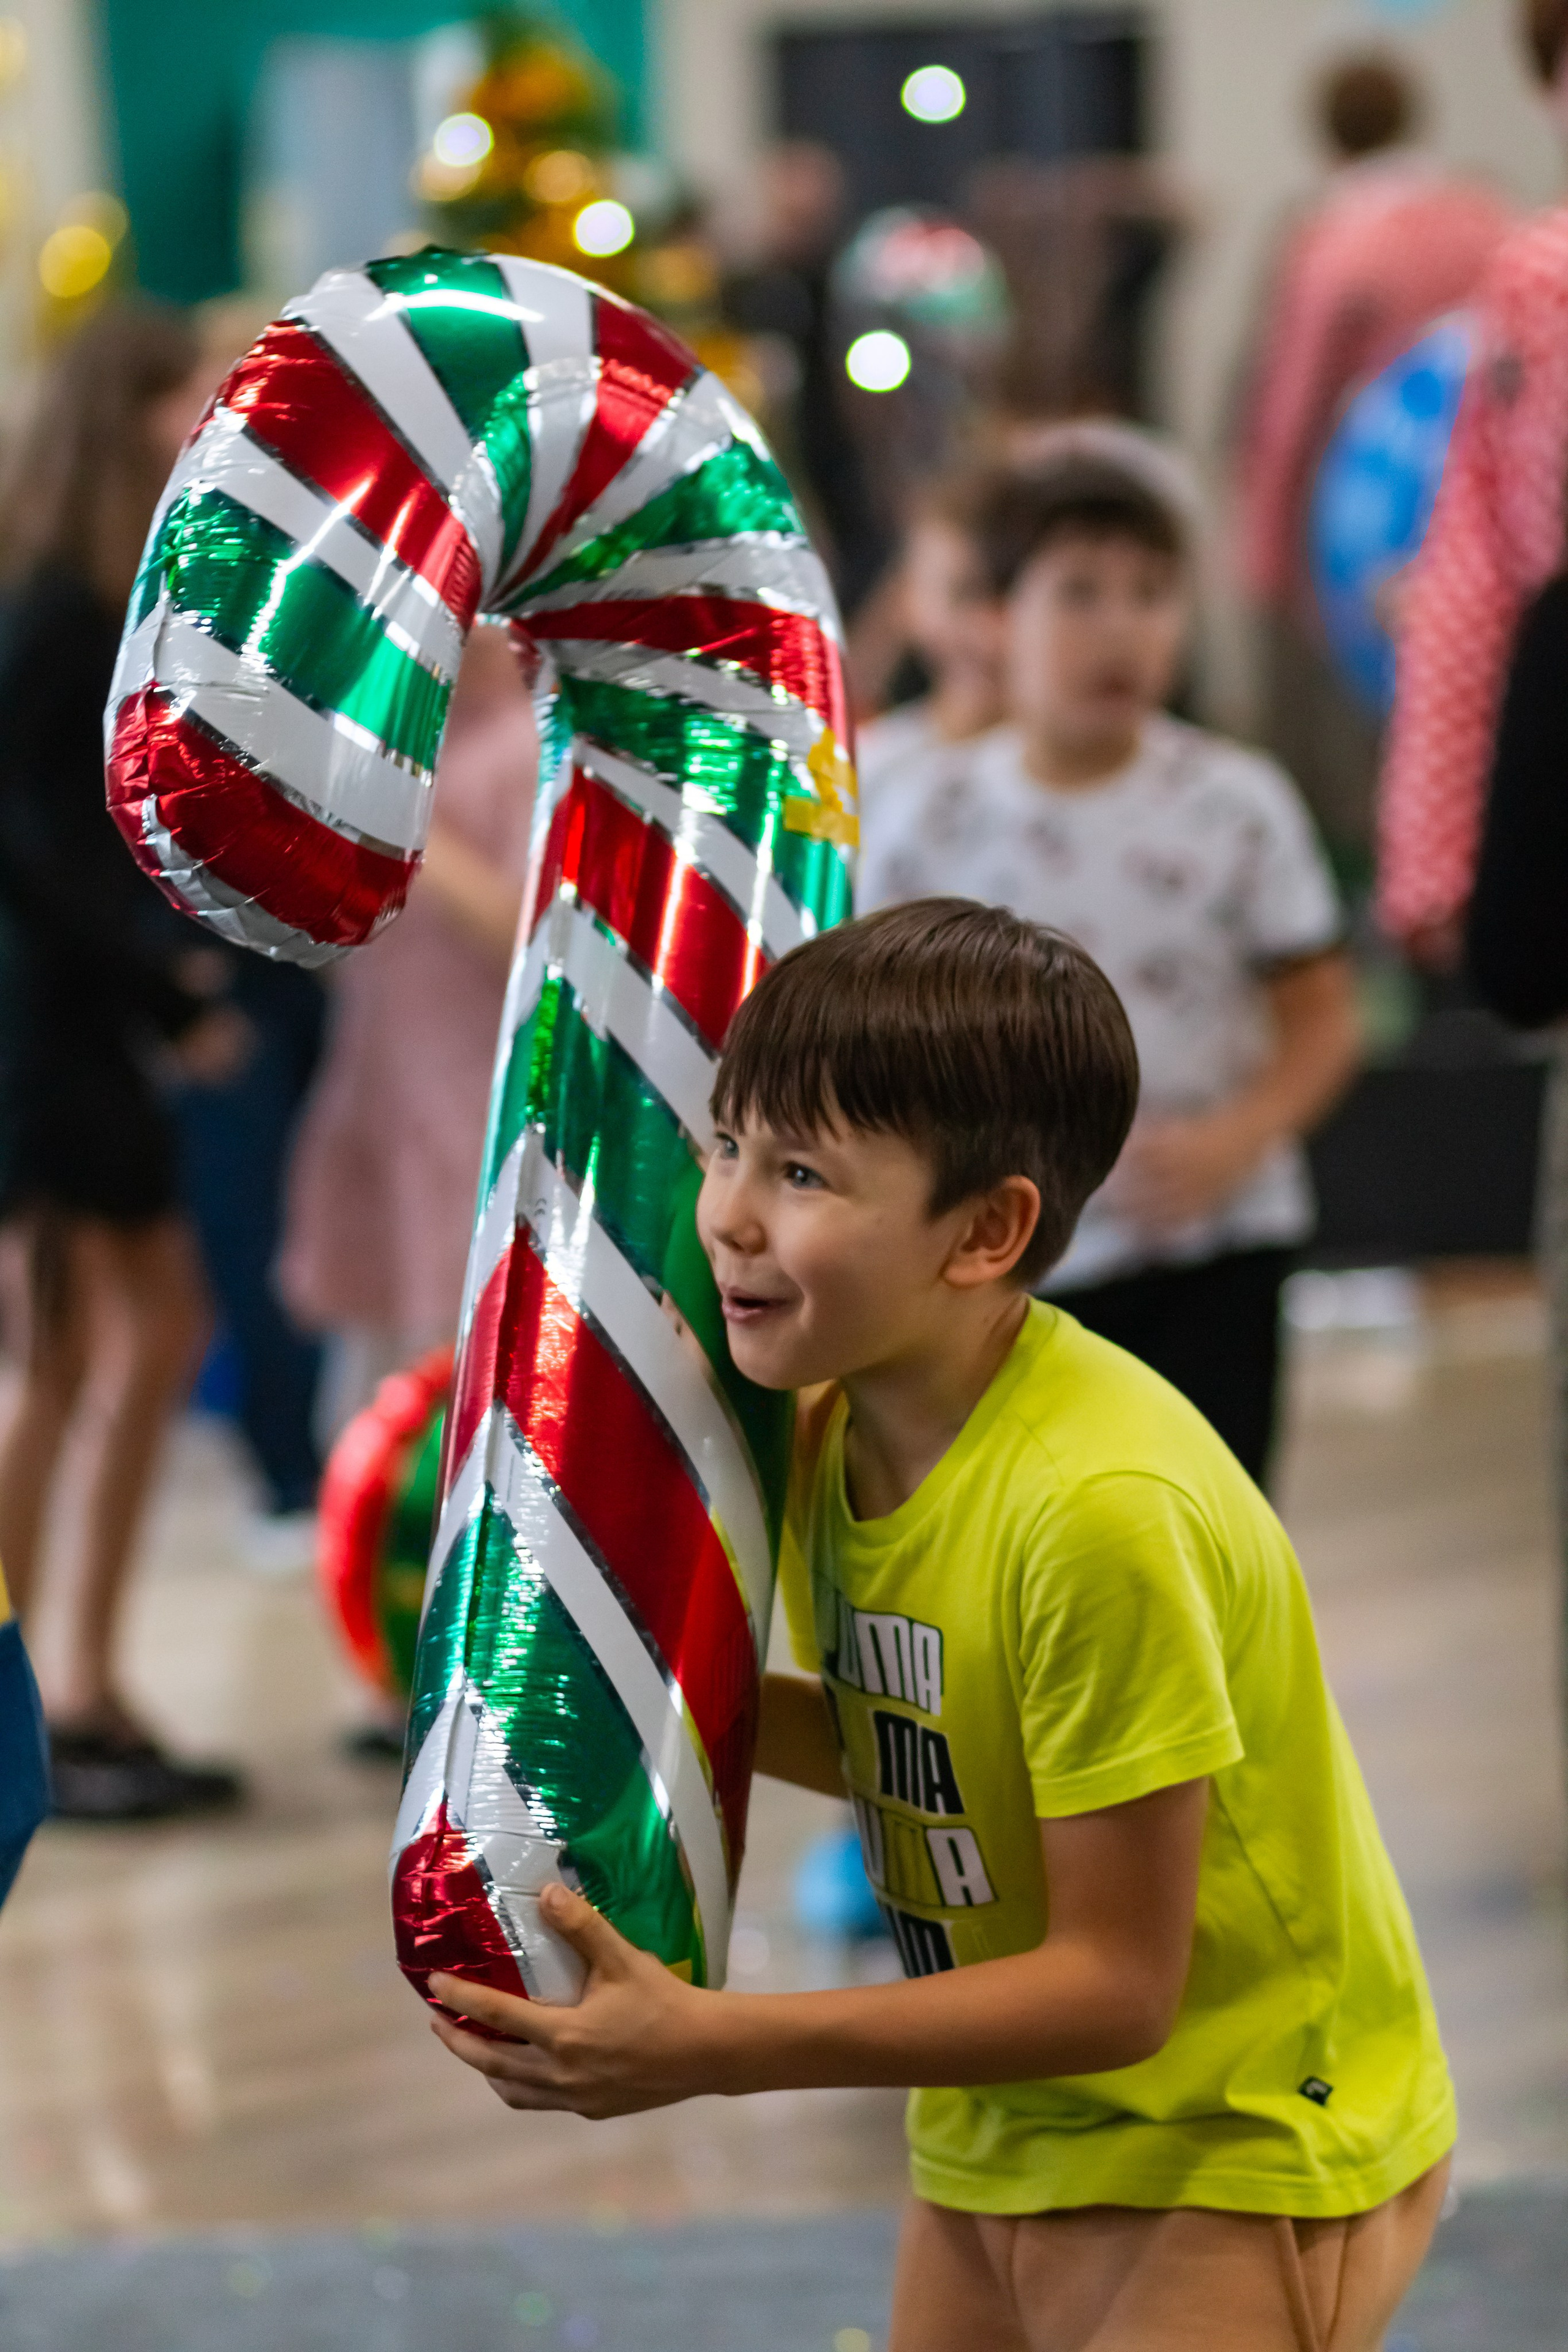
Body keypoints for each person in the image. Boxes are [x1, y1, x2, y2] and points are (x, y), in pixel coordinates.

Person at [428, 901, 1455, 2352]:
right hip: (1000, 2125)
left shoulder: (1095, 1509)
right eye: (728, 1142)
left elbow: (1115, 1985)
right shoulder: (828, 1416)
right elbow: (920, 1742)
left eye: (800, 1171)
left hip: (1230, 2143)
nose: (726, 1208)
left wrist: (719, 2047)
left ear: (985, 1230)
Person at [857, 443, 1360, 1486]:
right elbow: (877, 1048)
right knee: (1026, 1536)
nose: (1120, 626)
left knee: (1206, 1522)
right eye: (1078, 593)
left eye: (1150, 594)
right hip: (1003, 1266)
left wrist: (1236, 1139)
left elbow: (1323, 1018)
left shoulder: (1237, 803)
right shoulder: (927, 815)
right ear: (995, 621)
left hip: (1214, 1246)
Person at [0, 300, 244, 1821]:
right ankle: (47, 1697)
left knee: (126, 1341)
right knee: (72, 1355)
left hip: (76, 1021)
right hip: (44, 1034)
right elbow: (36, 847)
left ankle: (77, 1684)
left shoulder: (102, 594)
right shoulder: (51, 610)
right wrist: (166, 982)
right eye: (192, 397)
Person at [1234, 50, 1511, 867]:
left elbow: (1293, 415)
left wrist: (1268, 558)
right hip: (1489, 520)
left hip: (1365, 525)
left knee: (1373, 740)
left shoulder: (1332, 247)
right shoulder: (1488, 218)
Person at [279, 623, 536, 1431]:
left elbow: (527, 934)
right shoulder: (394, 741)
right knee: (365, 1399)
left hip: (471, 1111)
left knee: (453, 1386)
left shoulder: (523, 747)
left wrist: (409, 822)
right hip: (383, 1090)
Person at [852, 473, 1008, 829]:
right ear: (909, 601)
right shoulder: (865, 772)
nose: (989, 630)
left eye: (1008, 594)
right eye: (962, 595)